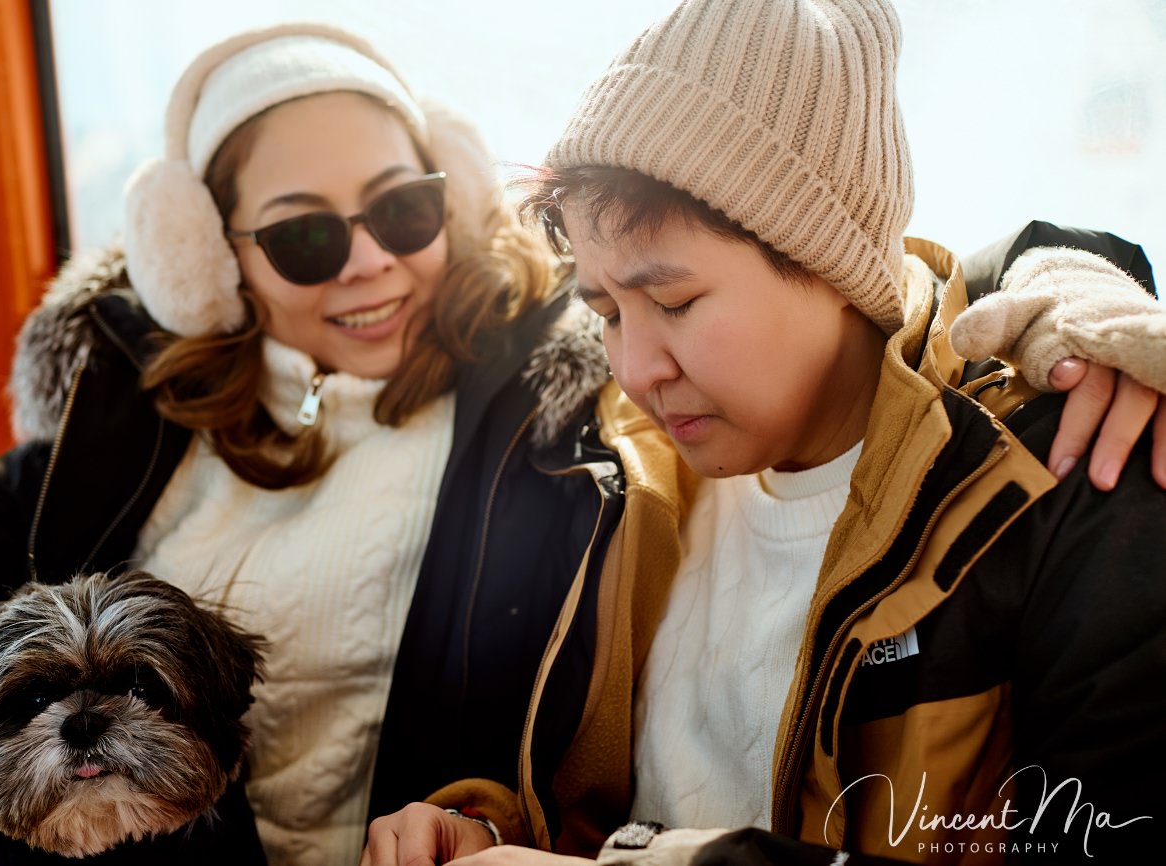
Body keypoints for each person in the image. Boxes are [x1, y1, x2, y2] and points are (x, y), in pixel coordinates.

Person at [0, 13, 1160, 866]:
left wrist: (1087, 283)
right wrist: (479, 821)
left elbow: (903, 266)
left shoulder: (531, 412)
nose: (371, 263)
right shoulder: (602, 448)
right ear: (214, 259)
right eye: (308, 236)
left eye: (406, 210)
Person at [361, 1, 1166, 864]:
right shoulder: (614, 469)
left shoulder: (1063, 475)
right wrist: (490, 832)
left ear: (830, 261)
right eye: (605, 311)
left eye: (673, 303)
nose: (634, 368)